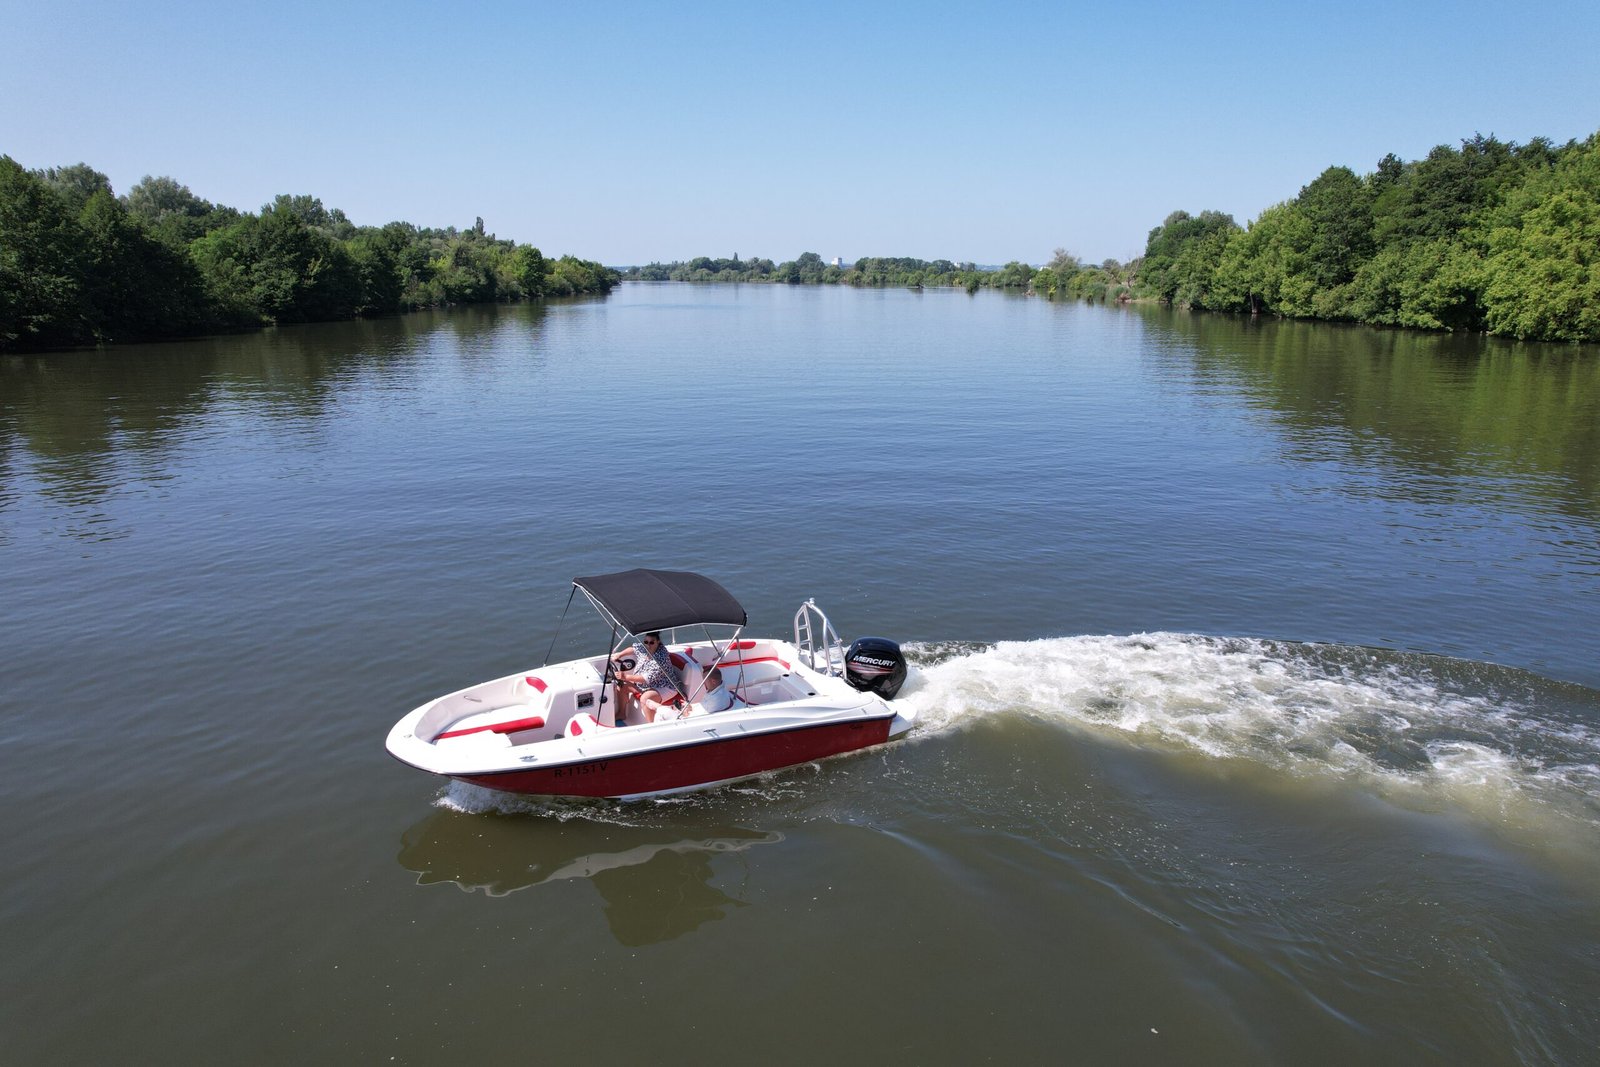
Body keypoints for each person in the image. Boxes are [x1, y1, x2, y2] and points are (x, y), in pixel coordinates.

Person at [610, 631, 684, 723]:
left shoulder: (661, 658)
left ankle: (651, 724)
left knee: (646, 698)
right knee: (622, 685)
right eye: (646, 642)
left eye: (652, 642)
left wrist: (626, 676)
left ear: (658, 642)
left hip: (665, 687)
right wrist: (619, 654)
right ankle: (622, 713)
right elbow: (633, 649)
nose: (648, 645)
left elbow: (647, 678)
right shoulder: (644, 648)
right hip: (645, 686)